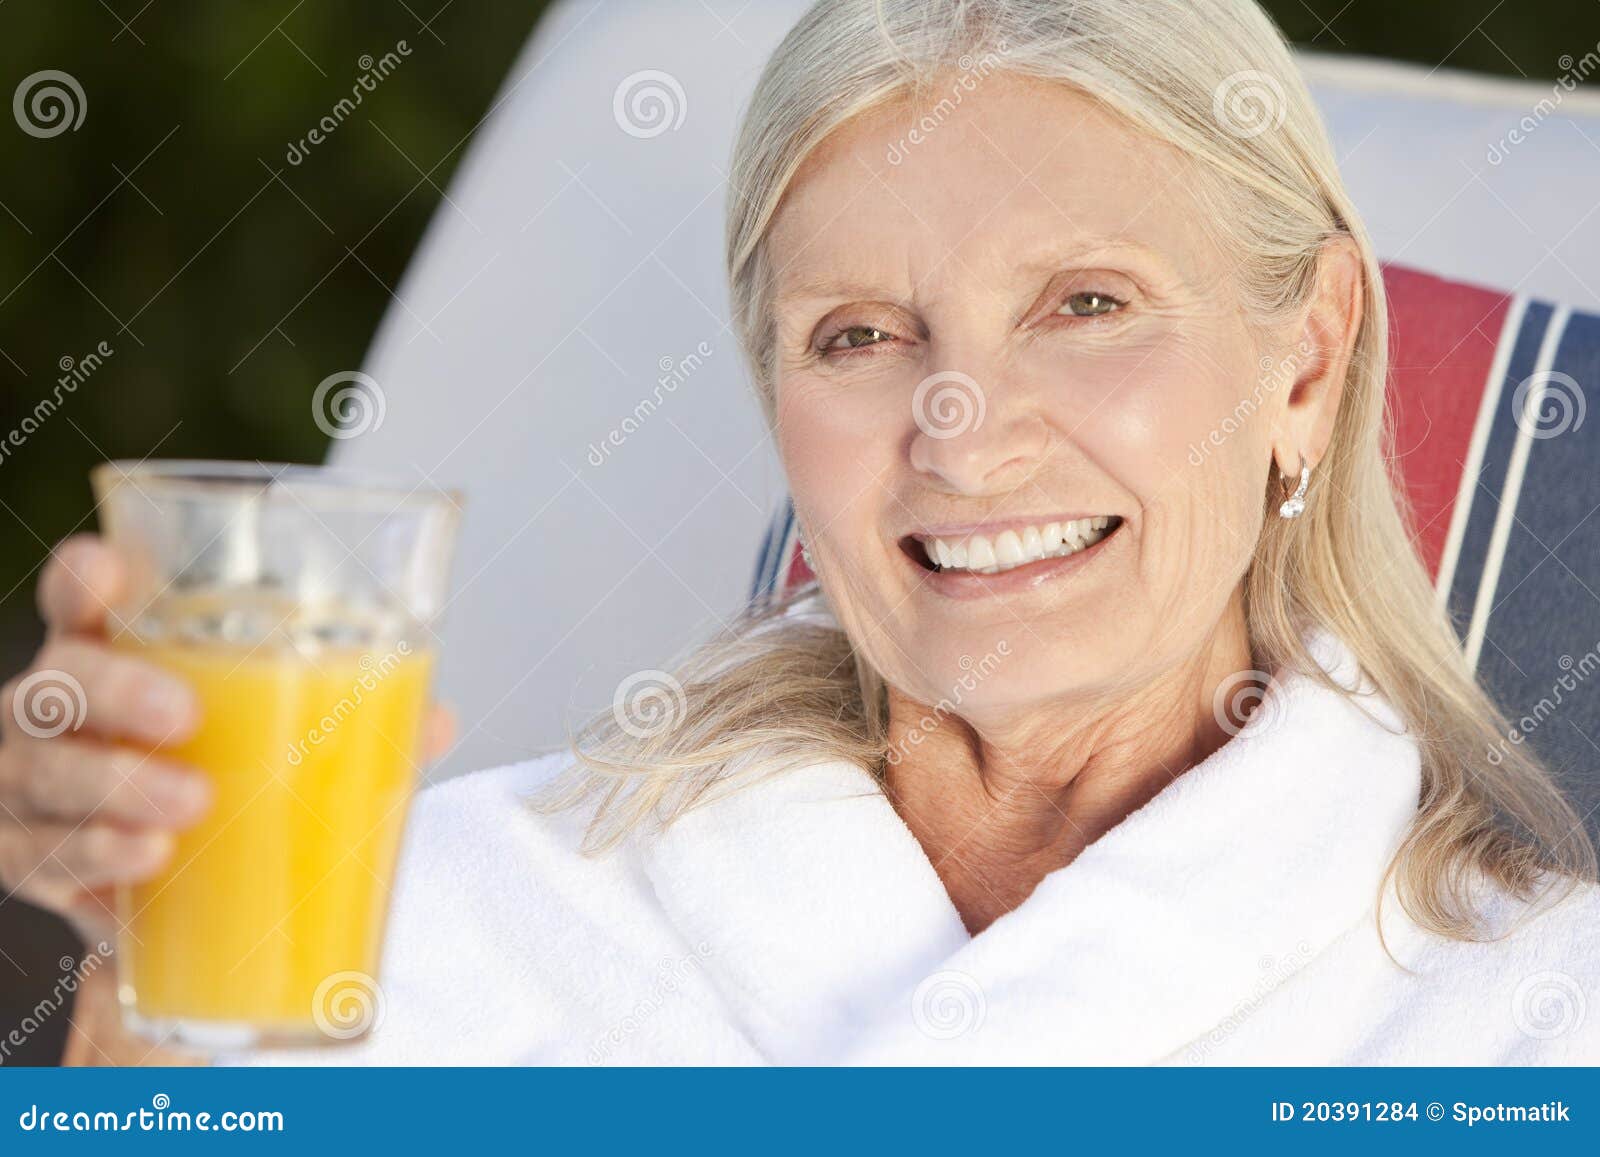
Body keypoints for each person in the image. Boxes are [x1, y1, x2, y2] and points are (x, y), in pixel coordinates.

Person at [4, 0, 1596, 1064]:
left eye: (1088, 304)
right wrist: (150, 978)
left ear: (1306, 361)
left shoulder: (1529, 1019)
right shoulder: (414, 910)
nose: (962, 430)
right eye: (859, 336)